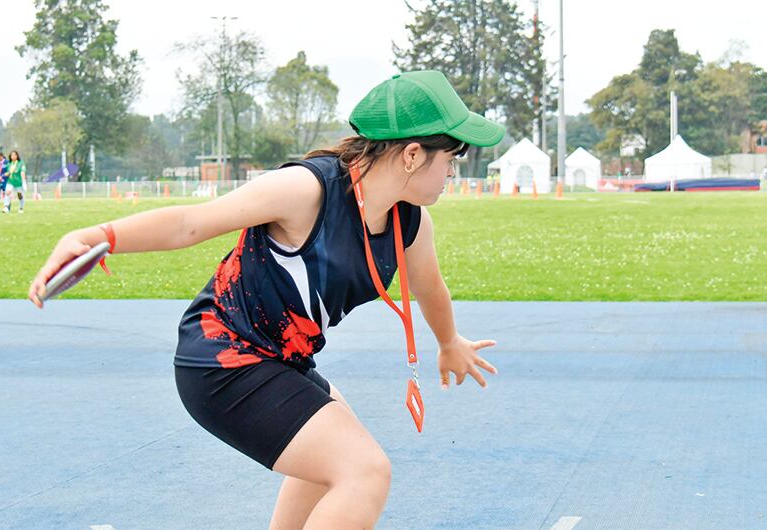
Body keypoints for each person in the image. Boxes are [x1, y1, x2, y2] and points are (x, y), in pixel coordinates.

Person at [27, 70, 503, 528]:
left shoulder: (409, 222)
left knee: (334, 451)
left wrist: (448, 342)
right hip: (221, 359)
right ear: (413, 154)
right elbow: (190, 224)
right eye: (451, 158)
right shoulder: (306, 190)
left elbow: (429, 287)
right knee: (364, 471)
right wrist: (96, 236)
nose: (453, 171)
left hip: (280, 361)